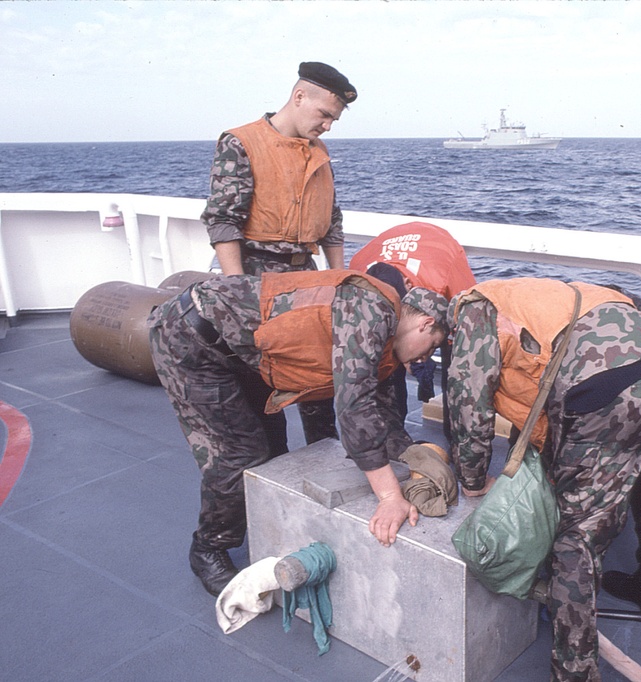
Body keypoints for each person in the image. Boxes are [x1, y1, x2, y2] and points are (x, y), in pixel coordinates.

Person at [447, 278, 641, 682]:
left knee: (577, 538)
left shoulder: (475, 308)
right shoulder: (555, 295)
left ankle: (574, 672)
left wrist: (473, 479)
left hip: (608, 390)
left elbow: (469, 404)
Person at [148, 271, 449, 596]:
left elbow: (385, 419)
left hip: (242, 355)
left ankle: (266, 530)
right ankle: (208, 550)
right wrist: (390, 497)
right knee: (241, 454)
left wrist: (418, 462)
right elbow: (353, 407)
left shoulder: (389, 348)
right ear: (425, 323)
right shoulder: (373, 312)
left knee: (274, 449)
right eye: (430, 347)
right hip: (191, 341)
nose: (421, 360)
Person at [201, 60, 357, 445]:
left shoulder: (318, 152)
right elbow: (223, 222)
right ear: (299, 96)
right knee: (260, 386)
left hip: (309, 277)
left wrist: (338, 280)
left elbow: (331, 221)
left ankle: (324, 459)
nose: (328, 126)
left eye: (334, 120)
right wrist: (236, 290)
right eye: (324, 115)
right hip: (257, 276)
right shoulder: (241, 142)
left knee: (318, 383)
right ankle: (270, 469)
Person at [349, 221, 476, 421]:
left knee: (456, 362)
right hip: (378, 257)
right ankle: (395, 426)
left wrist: (431, 352)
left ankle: (454, 430)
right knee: (389, 366)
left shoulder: (442, 273)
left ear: (408, 286)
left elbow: (471, 323)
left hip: (438, 253)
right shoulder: (358, 274)